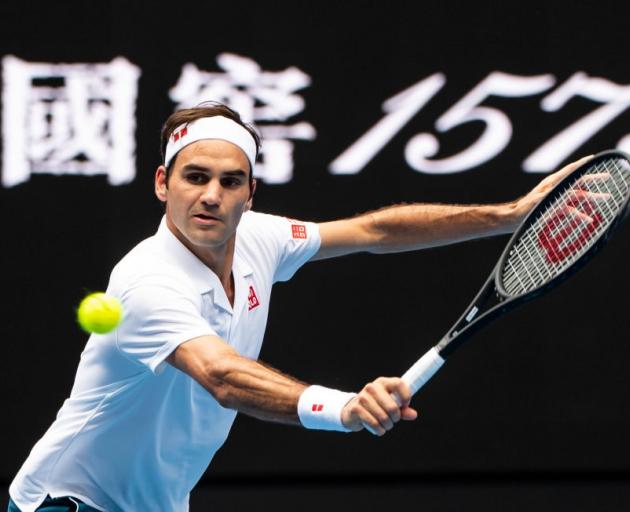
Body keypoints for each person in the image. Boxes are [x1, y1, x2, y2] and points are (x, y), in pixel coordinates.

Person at [8, 102, 592, 512]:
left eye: (231, 182)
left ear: (250, 192)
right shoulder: (146, 280)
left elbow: (374, 230)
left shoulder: (259, 237)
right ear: (163, 183)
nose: (211, 195)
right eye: (195, 177)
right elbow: (223, 376)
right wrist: (344, 408)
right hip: (67, 502)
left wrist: (508, 216)